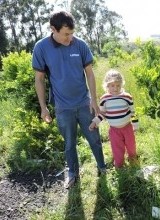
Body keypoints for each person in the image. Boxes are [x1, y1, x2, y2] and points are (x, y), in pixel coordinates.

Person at [32, 11, 106, 189]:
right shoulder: (41, 48)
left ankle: (102, 167)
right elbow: (39, 80)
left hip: (84, 103)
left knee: (94, 139)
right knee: (69, 143)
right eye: (66, 34)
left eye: (72, 33)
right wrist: (44, 107)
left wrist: (94, 101)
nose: (70, 38)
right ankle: (73, 173)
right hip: (62, 107)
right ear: (53, 29)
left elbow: (89, 73)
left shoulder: (80, 45)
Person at [89, 69, 139, 168]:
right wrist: (95, 122)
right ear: (107, 86)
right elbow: (102, 113)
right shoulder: (104, 99)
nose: (115, 88)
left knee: (131, 146)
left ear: (121, 85)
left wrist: (135, 125)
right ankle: (119, 165)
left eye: (118, 85)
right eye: (112, 85)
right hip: (114, 130)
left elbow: (133, 112)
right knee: (117, 148)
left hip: (127, 128)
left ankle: (133, 161)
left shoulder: (127, 97)